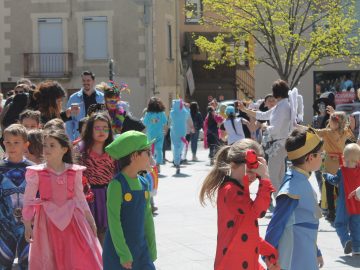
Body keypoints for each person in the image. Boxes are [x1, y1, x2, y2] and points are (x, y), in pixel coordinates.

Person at [22, 129, 103, 269]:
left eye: (52, 145)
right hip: (46, 222)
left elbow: (80, 198)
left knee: (76, 255)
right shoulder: (37, 172)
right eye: (45, 145)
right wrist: (27, 224)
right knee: (50, 256)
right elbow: (28, 199)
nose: (47, 149)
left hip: (73, 221)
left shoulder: (74, 171)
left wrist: (90, 220)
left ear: (64, 149)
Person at [199, 139, 279, 270]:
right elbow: (257, 212)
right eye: (250, 169)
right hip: (230, 263)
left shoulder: (240, 191)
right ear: (233, 164)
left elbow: (246, 231)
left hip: (243, 261)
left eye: (257, 170)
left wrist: (269, 252)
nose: (254, 175)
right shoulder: (229, 191)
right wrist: (265, 178)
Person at [265, 127, 324, 270]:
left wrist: (316, 251)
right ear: (310, 157)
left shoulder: (299, 180)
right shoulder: (292, 188)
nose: (323, 157)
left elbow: (305, 221)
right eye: (321, 154)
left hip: (304, 253)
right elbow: (276, 224)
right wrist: (268, 257)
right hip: (293, 257)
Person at [103, 130, 157, 270]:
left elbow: (147, 217)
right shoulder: (116, 185)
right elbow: (113, 222)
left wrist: (152, 247)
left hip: (141, 250)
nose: (151, 156)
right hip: (120, 253)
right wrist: (123, 253)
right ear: (134, 156)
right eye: (147, 152)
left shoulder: (144, 183)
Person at [239, 79, 291, 196]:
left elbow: (275, 128)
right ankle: (283, 201)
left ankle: (281, 202)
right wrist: (245, 110)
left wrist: (265, 127)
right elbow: (263, 115)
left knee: (273, 176)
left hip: (278, 144)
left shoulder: (282, 107)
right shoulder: (282, 105)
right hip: (279, 144)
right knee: (280, 175)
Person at [78, 113, 115, 245]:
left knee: (107, 230)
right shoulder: (81, 151)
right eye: (97, 128)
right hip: (89, 196)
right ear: (90, 130)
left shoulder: (114, 150)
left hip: (109, 194)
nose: (101, 131)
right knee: (90, 230)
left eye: (105, 127)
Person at [0, 124, 33, 269]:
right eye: (8, 142)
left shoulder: (33, 169)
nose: (11, 146)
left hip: (28, 227)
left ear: (26, 145)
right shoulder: (1, 169)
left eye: (16, 142)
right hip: (3, 227)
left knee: (27, 264)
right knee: (3, 264)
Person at [313, 111, 354, 222]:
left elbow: (351, 129)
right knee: (330, 188)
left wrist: (345, 118)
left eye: (332, 120)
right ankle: (332, 212)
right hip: (330, 161)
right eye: (330, 120)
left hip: (340, 162)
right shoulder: (326, 132)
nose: (329, 122)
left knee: (340, 188)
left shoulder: (345, 132)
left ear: (338, 123)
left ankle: (340, 210)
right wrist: (299, 126)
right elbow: (314, 131)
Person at [323, 143, 360, 255]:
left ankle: (346, 240)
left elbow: (334, 180)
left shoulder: (342, 171)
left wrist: (326, 175)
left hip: (344, 204)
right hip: (357, 205)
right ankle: (357, 247)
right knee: (356, 226)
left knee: (339, 224)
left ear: (344, 157)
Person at [66, 71, 104, 141]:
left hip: (97, 137)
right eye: (83, 80)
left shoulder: (102, 98)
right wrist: (71, 140)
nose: (85, 83)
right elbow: (68, 120)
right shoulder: (73, 98)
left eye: (88, 80)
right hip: (79, 138)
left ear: (93, 81)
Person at [143, 97, 167, 171]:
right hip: (159, 134)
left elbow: (144, 123)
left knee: (149, 150)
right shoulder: (162, 113)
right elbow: (165, 122)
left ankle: (150, 164)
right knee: (159, 149)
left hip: (150, 134)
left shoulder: (147, 114)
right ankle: (158, 165)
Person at [169, 99, 190, 174]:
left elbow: (170, 120)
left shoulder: (172, 112)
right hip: (182, 132)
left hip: (174, 131)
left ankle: (176, 161)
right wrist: (185, 107)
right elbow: (188, 115)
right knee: (180, 146)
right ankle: (178, 160)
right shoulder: (184, 112)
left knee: (175, 146)